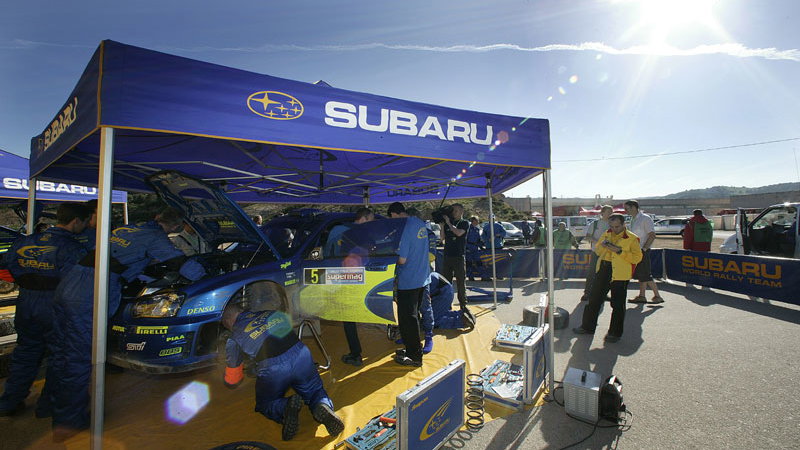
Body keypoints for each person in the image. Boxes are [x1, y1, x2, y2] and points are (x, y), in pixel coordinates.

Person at [50, 207, 207, 440]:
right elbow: (183, 265)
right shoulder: (155, 237)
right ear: (175, 226)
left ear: (157, 216)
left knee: (60, 351)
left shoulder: (129, 228)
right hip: (91, 291)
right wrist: (207, 276)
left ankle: (48, 407)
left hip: (70, 284)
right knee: (79, 357)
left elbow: (127, 260)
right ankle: (68, 422)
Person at [0, 203, 90, 418]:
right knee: (60, 356)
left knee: (25, 352)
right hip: (55, 305)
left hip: (26, 302)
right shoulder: (73, 248)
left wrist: (29, 279)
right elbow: (76, 282)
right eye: (85, 222)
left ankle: (9, 402)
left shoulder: (25, 241)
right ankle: (47, 406)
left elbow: (8, 265)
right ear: (76, 221)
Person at [221, 302, 344, 441]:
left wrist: (230, 377)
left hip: (273, 367)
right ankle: (322, 405)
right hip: (300, 353)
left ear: (228, 321)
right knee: (314, 389)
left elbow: (234, 379)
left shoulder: (234, 337)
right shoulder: (270, 312)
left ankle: (285, 408)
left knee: (266, 403)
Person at [573, 214, 642, 343]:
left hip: (620, 274)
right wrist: (603, 246)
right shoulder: (606, 233)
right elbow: (598, 251)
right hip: (604, 269)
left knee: (618, 304)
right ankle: (587, 327)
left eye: (617, 226)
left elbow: (637, 258)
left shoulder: (632, 238)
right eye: (611, 226)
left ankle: (614, 333)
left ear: (624, 224)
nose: (614, 229)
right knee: (594, 299)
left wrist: (619, 251)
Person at [388, 202, 430, 367]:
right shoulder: (419, 223)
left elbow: (402, 260)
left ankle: (414, 356)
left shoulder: (405, 228)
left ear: (395, 214)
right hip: (422, 277)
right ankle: (412, 348)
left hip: (409, 280)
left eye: (392, 218)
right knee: (414, 317)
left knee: (407, 320)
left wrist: (390, 255)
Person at [335, 207, 375, 367]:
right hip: (367, 277)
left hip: (351, 278)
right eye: (371, 220)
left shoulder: (347, 233)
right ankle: (355, 353)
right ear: (363, 218)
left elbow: (340, 258)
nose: (372, 223)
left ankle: (355, 354)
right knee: (352, 316)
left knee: (349, 317)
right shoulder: (368, 234)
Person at [624, 200, 664, 304]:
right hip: (636, 251)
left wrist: (644, 249)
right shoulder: (633, 219)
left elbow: (652, 235)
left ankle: (657, 296)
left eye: (627, 208)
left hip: (642, 250)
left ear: (633, 207)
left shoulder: (645, 218)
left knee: (645, 274)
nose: (625, 211)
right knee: (642, 274)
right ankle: (642, 296)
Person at [437, 204, 469, 312]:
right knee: (446, 282)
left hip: (458, 256)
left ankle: (463, 304)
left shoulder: (464, 223)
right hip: (447, 255)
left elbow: (459, 233)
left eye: (456, 211)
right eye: (453, 211)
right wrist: (442, 226)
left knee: (460, 281)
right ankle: (447, 304)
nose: (454, 213)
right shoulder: (448, 223)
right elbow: (442, 238)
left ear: (461, 211)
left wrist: (449, 223)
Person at [581, 206, 613, 301]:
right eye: (608, 212)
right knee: (592, 273)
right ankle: (587, 293)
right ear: (602, 213)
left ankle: (604, 293)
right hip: (596, 252)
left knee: (606, 275)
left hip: (609, 254)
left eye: (611, 212)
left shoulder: (613, 224)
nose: (610, 214)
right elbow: (588, 237)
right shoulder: (594, 224)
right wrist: (599, 242)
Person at [465, 216, 485, 281]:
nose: (477, 222)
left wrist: (481, 246)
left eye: (478, 221)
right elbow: (465, 239)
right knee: (469, 263)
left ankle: (483, 276)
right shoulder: (468, 229)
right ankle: (470, 276)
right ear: (473, 221)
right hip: (469, 247)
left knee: (479, 262)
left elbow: (479, 239)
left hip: (475, 248)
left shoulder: (477, 229)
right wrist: (466, 247)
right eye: (476, 220)